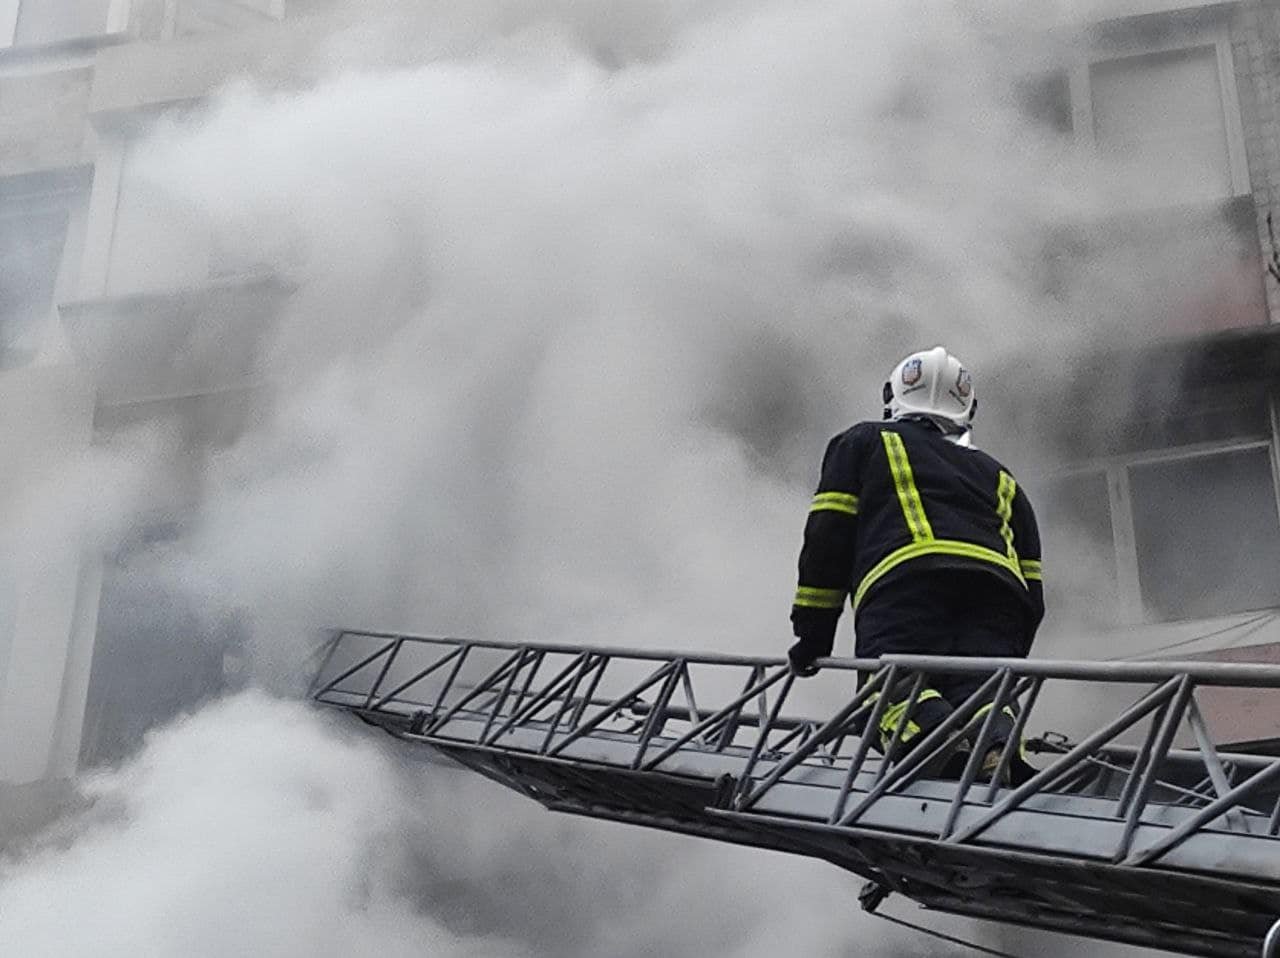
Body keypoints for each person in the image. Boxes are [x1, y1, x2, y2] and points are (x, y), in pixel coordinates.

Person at [787, 346, 1043, 779]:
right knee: (982, 691)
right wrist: (1008, 649)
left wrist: (813, 636)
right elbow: (1031, 579)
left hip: (908, 584)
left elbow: (827, 541)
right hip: (999, 597)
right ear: (969, 409)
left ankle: (936, 739)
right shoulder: (1000, 474)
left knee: (892, 689)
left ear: (891, 395)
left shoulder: (863, 442)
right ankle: (994, 747)